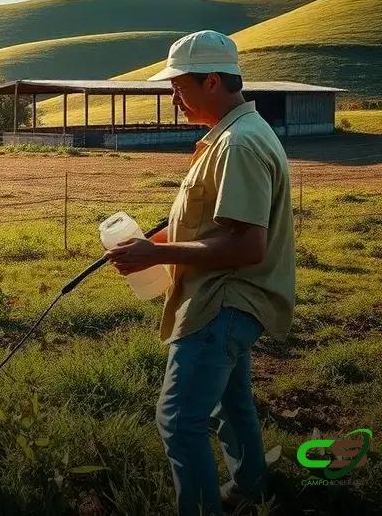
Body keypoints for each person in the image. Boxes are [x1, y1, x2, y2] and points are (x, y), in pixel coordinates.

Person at [105, 31, 295, 515]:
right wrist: (158, 242)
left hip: (223, 301)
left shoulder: (239, 145)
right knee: (232, 403)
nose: (173, 96)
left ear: (212, 80)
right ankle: (251, 488)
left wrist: (155, 256)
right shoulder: (231, 136)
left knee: (179, 422)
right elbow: (216, 226)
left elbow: (246, 244)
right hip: (228, 298)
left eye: (179, 85)